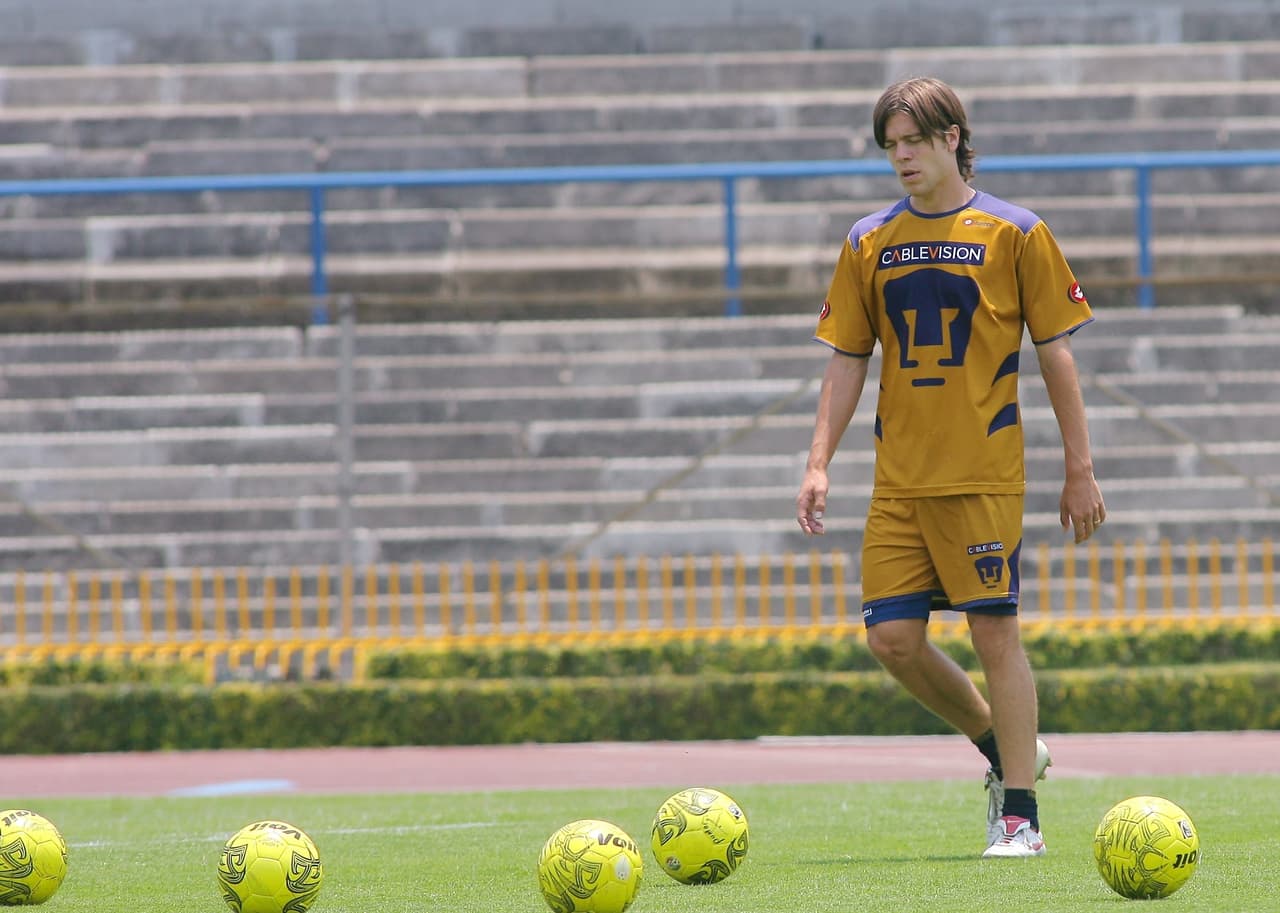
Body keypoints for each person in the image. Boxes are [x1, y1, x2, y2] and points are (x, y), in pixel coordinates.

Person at [794, 76, 1106, 858]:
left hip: (982, 473)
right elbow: (846, 361)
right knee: (892, 640)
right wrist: (818, 464)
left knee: (993, 632)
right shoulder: (867, 240)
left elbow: (1057, 354)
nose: (900, 157)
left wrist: (1080, 469)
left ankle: (1020, 816)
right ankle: (1003, 746)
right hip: (898, 478)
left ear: (953, 138)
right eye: (890, 145)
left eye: (913, 142)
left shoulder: (1017, 232)